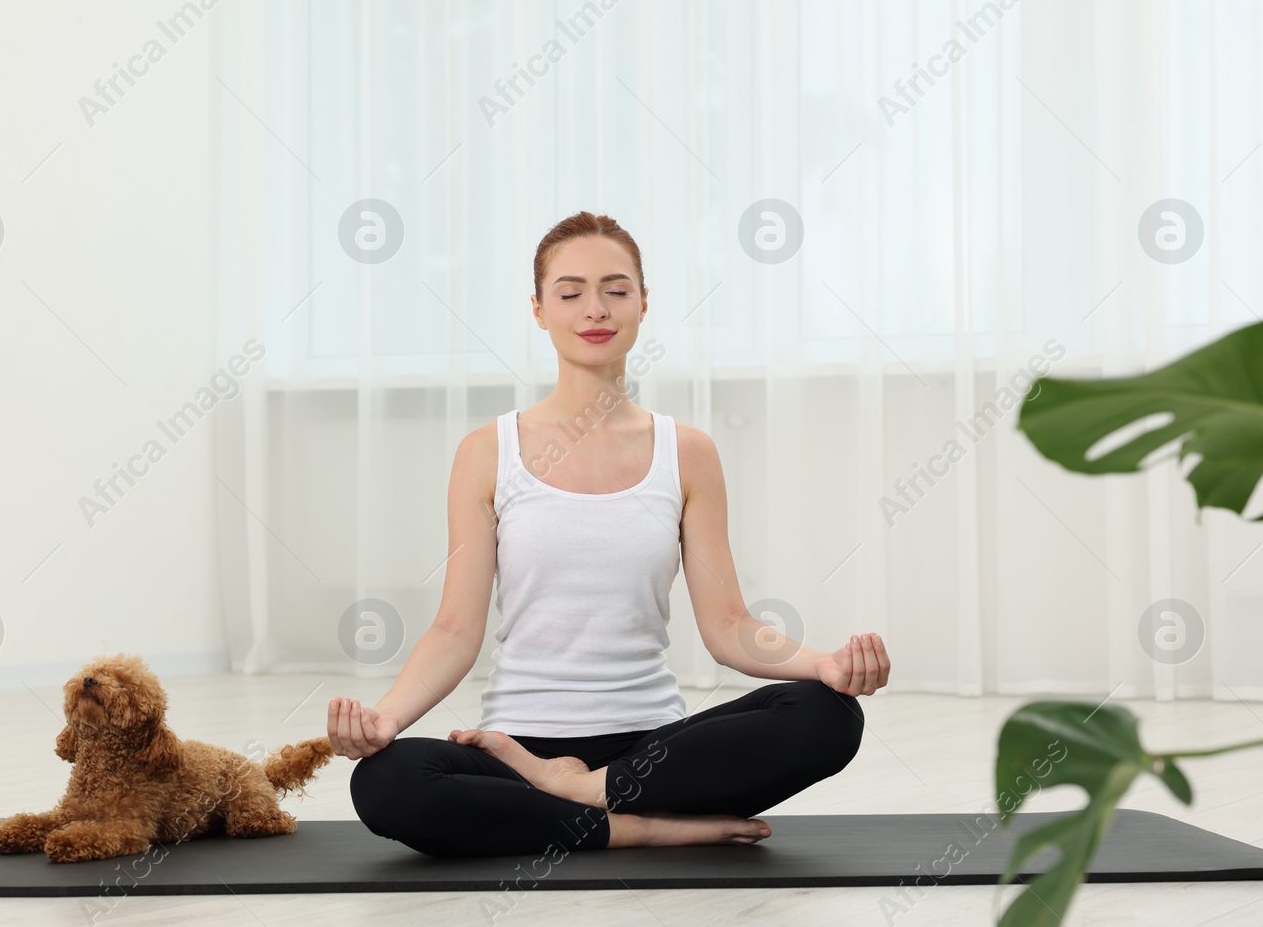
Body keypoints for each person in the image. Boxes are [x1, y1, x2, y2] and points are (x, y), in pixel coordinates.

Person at [331, 211, 890, 859]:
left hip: (651, 754)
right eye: (570, 292)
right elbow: (456, 630)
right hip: (520, 750)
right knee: (386, 780)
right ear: (539, 309)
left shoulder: (688, 452)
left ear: (644, 303)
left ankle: (589, 793)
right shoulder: (488, 452)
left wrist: (824, 664)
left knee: (830, 715)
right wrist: (386, 719)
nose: (594, 308)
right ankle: (635, 825)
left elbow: (729, 624)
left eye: (616, 289)